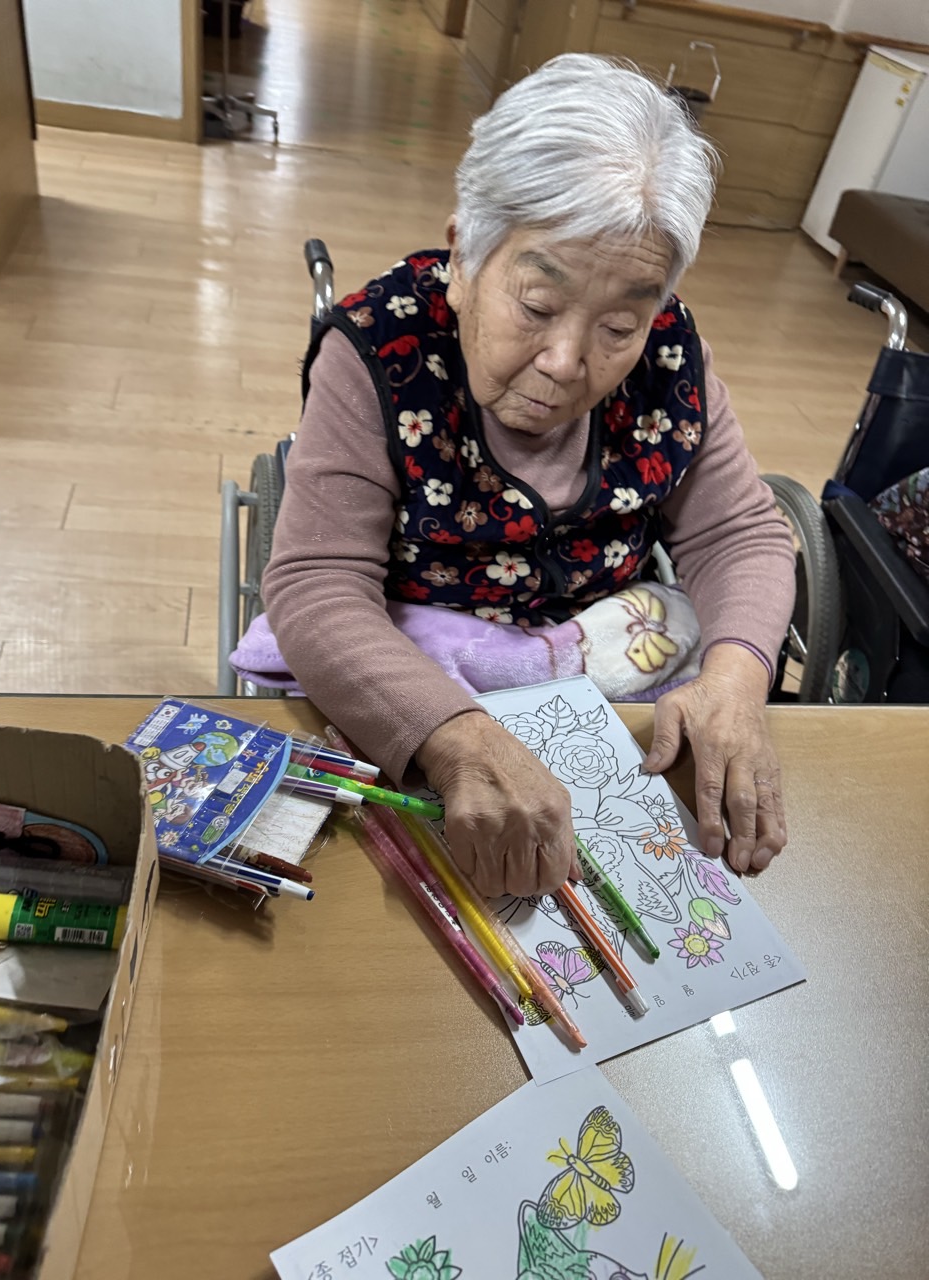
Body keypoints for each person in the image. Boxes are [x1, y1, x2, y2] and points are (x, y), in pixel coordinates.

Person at [262, 55, 796, 898]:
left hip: (606, 681)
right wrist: (457, 740)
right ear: (463, 256)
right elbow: (318, 583)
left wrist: (735, 679)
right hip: (422, 674)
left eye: (618, 325)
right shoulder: (380, 354)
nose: (566, 361)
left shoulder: (668, 355)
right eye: (538, 307)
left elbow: (740, 532)